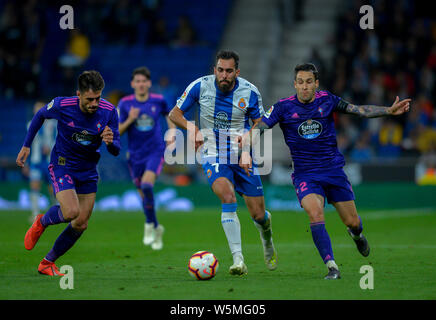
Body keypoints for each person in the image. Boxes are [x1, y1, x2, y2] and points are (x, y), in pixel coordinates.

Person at [240, 63, 410, 279]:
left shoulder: (327, 100)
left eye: (309, 82)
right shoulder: (283, 107)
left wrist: (388, 110)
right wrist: (246, 149)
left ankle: (356, 235)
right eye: (300, 82)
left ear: (316, 83)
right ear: (295, 84)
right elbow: (259, 127)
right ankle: (332, 266)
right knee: (315, 213)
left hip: (333, 171)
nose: (304, 86)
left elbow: (359, 110)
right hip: (306, 174)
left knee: (353, 222)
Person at [169, 50, 277, 275]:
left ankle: (267, 239)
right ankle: (238, 260)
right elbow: (175, 114)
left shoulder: (250, 92)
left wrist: (247, 148)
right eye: (220, 70)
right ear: (215, 70)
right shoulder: (200, 86)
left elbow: (261, 124)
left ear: (237, 72)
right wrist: (192, 128)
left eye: (229, 71)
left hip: (241, 154)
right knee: (227, 196)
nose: (224, 75)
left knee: (258, 215)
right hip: (212, 153)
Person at [16, 70, 120, 276]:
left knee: (81, 223)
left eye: (98, 98)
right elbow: (39, 115)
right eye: (89, 99)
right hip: (63, 164)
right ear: (78, 94)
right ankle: (42, 221)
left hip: (88, 169)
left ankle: (47, 263)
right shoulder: (62, 105)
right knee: (71, 212)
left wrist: (110, 142)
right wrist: (26, 145)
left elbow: (116, 149)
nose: (94, 103)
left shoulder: (109, 111)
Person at [118, 67, 176, 250]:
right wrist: (130, 119)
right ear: (132, 84)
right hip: (135, 155)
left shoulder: (158, 100)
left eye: (144, 81)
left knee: (146, 185)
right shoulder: (125, 103)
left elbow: (171, 116)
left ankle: (149, 226)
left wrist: (172, 133)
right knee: (144, 197)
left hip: (155, 151)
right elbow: (117, 132)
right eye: (138, 81)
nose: (141, 84)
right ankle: (156, 226)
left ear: (149, 83)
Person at [26, 100, 57, 223]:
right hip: (36, 161)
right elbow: (27, 144)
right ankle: (35, 214)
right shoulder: (30, 125)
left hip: (50, 161)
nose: (37, 110)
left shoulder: (53, 123)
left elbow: (57, 138)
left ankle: (58, 211)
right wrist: (27, 162)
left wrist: (50, 147)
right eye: (35, 108)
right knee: (34, 186)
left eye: (39, 107)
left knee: (53, 188)